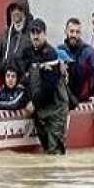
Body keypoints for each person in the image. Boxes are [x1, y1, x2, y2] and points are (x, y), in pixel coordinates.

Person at [20, 18, 70, 155]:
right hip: (40, 111)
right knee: (46, 150)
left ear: (45, 34)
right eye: (33, 32)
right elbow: (24, 78)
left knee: (55, 152)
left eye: (38, 32)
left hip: (55, 109)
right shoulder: (28, 53)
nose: (35, 36)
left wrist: (34, 103)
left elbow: (49, 86)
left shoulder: (50, 53)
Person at [59, 17, 94, 103]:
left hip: (84, 99)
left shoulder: (88, 52)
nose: (74, 35)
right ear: (66, 31)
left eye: (77, 32)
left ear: (80, 34)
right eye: (71, 31)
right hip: (64, 98)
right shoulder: (59, 51)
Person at [0, 0, 34, 75]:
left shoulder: (32, 32)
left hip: (24, 80)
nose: (15, 12)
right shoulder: (6, 33)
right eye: (13, 9)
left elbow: (35, 56)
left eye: (19, 9)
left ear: (25, 11)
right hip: (6, 77)